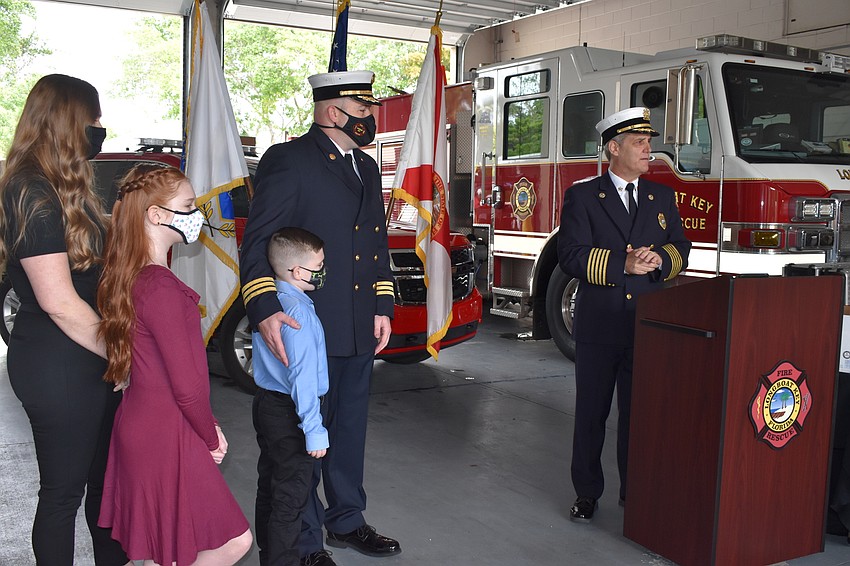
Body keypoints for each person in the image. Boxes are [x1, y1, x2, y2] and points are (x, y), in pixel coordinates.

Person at [240, 70, 401, 566]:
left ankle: (347, 520)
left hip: (355, 324)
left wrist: (382, 304)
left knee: (348, 432)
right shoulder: (289, 161)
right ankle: (306, 542)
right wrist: (265, 308)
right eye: (364, 108)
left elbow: (373, 244)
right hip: (308, 325)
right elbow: (259, 242)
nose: (371, 117)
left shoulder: (367, 168)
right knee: (305, 438)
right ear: (334, 112)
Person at [0, 74, 129, 565]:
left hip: (84, 354)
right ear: (68, 122)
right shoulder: (29, 189)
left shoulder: (61, 186)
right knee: (63, 496)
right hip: (58, 360)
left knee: (106, 491)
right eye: (93, 120)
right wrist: (122, 354)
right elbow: (58, 300)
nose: (100, 129)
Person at [96, 163, 253, 565]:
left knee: (151, 551)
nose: (197, 213)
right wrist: (210, 433)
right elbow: (187, 384)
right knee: (232, 541)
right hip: (166, 430)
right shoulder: (161, 286)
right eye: (188, 205)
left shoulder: (131, 275)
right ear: (157, 215)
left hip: (142, 423)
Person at [557, 107, 691, 523]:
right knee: (592, 414)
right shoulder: (583, 195)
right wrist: (623, 265)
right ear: (613, 149)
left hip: (645, 324)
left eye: (649, 142)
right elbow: (571, 256)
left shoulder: (661, 195)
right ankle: (587, 493)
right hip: (601, 325)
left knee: (638, 416)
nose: (649, 149)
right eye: (639, 142)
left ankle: (635, 491)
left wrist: (661, 258)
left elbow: (681, 247)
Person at [253, 227, 331, 566]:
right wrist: (314, 430)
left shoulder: (270, 305)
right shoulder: (298, 313)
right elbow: (302, 378)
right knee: (290, 499)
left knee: (269, 488)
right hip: (293, 413)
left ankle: (268, 556)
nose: (324, 269)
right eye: (320, 264)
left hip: (267, 403)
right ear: (299, 272)